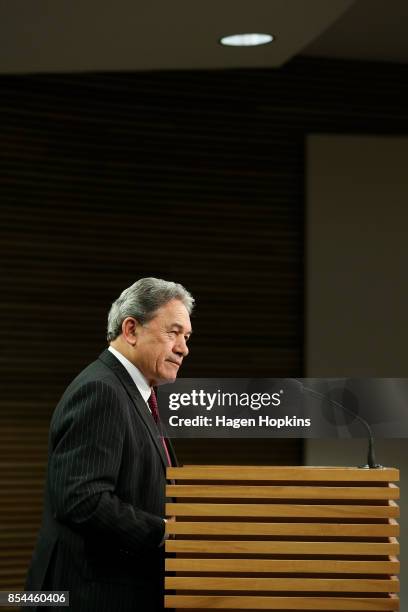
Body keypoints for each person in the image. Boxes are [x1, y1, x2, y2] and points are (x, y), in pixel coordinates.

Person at [25, 277, 194, 611]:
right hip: (91, 595)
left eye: (186, 337)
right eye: (173, 333)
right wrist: (163, 531)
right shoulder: (102, 391)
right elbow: (81, 499)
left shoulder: (137, 394)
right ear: (131, 329)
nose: (183, 348)